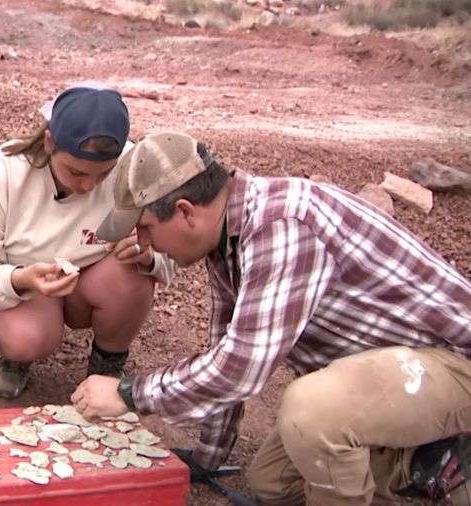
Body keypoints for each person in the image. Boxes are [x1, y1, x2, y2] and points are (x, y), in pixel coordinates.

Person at [72, 131, 471, 505]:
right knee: (272, 482)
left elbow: (240, 369)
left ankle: (447, 448)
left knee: (312, 412)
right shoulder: (229, 233)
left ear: (185, 211)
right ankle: (422, 460)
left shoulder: (283, 227)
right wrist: (207, 459)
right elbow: (226, 347)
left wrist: (128, 395)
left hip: (453, 364)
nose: (143, 244)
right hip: (391, 371)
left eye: (145, 228)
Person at [0, 85, 175, 399]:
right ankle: (18, 357)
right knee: (25, 338)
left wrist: (148, 255)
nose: (88, 185)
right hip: (27, 286)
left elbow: (171, 255)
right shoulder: (5, 172)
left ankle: (108, 363)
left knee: (132, 275)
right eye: (76, 171)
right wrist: (18, 280)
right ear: (49, 141)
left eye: (103, 174)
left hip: (92, 284)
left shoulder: (132, 168)